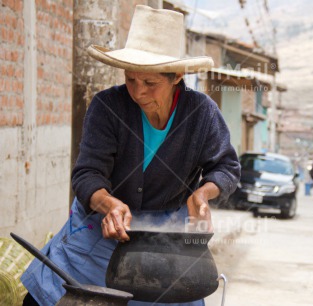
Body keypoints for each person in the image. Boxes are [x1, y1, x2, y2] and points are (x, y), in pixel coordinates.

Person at [21, 6, 241, 306]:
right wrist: (108, 203)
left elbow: (226, 167)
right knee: (60, 296)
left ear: (176, 76)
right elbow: (87, 174)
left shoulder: (201, 113)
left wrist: (202, 195)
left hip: (162, 239)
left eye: (150, 83)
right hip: (103, 228)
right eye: (130, 79)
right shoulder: (107, 106)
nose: (138, 91)